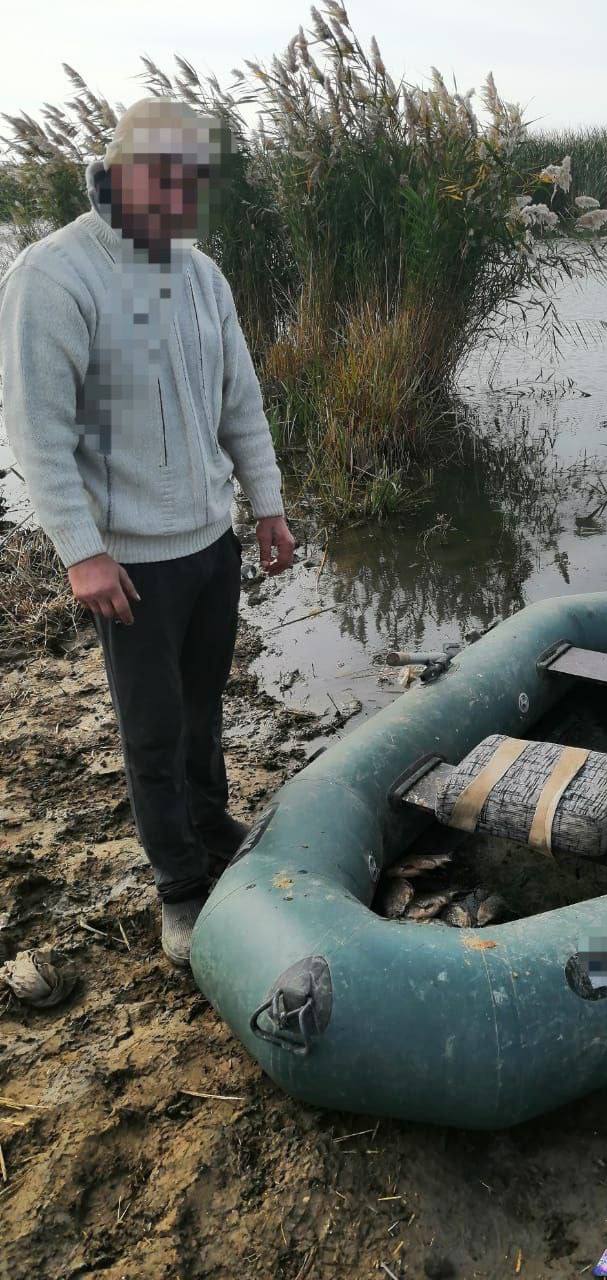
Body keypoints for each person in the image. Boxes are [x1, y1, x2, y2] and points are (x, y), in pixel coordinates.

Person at [0, 98, 296, 966]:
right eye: (172, 177)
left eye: (200, 179)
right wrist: (81, 552)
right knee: (154, 728)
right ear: (126, 171)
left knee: (204, 712)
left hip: (211, 544)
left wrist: (266, 505)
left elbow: (238, 399)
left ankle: (212, 829)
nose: (189, 196)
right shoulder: (53, 275)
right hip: (129, 561)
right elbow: (37, 430)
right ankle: (180, 891)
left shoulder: (203, 275)